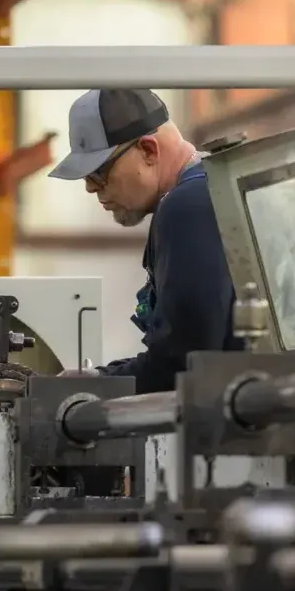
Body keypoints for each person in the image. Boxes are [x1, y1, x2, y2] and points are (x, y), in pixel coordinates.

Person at [48, 89, 242, 393]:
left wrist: (96, 385)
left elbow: (183, 363)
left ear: (149, 150)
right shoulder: (213, 187)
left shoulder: (187, 206)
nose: (90, 187)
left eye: (99, 172)